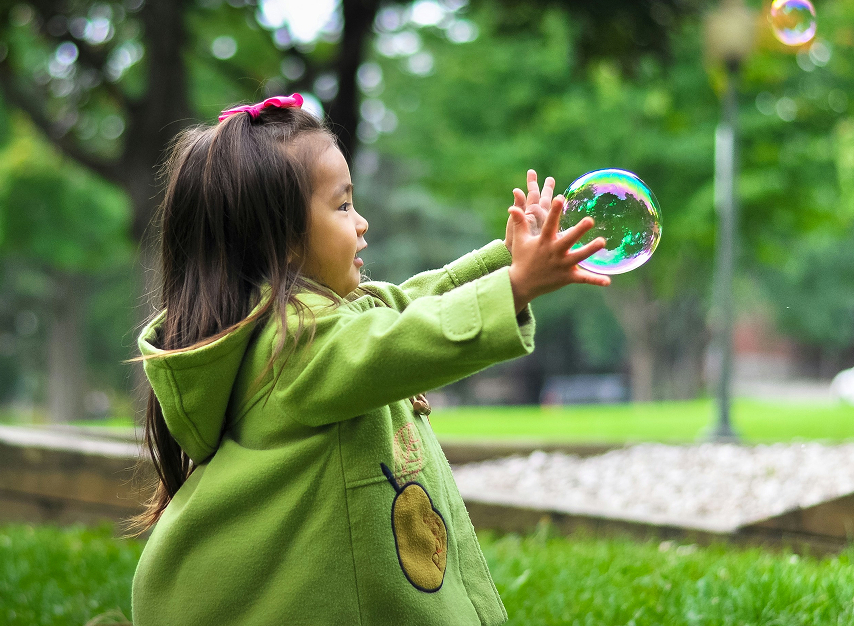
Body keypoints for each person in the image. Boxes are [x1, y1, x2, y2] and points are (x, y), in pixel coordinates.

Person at [129, 94, 610, 626]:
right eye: (342, 206)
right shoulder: (292, 348)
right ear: (283, 241)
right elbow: (399, 339)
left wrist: (506, 260)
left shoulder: (313, 324)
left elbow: (409, 303)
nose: (361, 224)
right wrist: (516, 285)